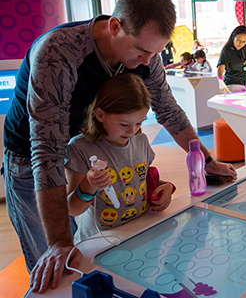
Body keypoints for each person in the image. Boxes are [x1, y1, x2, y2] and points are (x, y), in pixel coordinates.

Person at [3, 0, 236, 294]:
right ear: (115, 27)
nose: (146, 62)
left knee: (86, 254)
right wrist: (59, 241)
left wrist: (207, 160)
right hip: (30, 158)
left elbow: (168, 110)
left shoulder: (146, 58)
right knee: (53, 266)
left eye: (156, 53)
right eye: (141, 51)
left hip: (80, 149)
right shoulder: (59, 52)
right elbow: (45, 150)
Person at [65, 74, 175, 243]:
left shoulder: (140, 141)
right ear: (100, 114)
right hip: (98, 242)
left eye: (139, 123)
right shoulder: (80, 148)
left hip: (139, 233)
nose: (132, 131)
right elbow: (72, 208)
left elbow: (139, 180)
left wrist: (166, 187)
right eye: (124, 124)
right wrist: (90, 184)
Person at [217, 25, 246, 93]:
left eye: (244, 41)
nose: (241, 43)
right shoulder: (227, 50)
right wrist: (220, 81)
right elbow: (221, 67)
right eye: (238, 40)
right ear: (233, 37)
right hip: (233, 84)